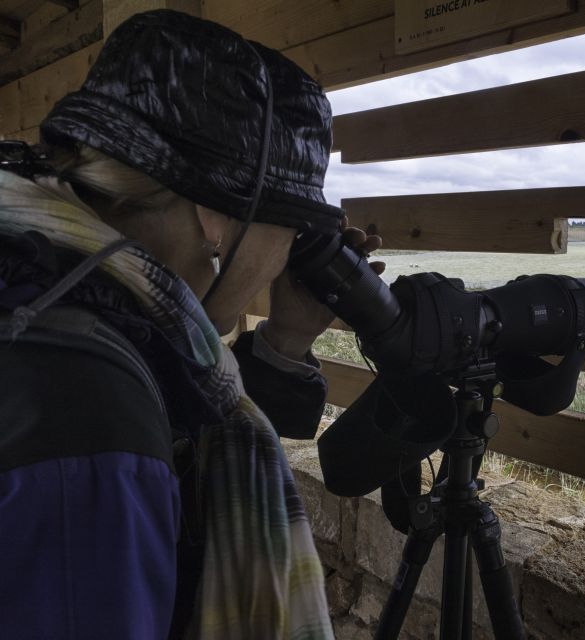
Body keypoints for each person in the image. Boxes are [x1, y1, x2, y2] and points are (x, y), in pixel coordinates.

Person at [0, 9, 381, 639]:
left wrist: (284, 343)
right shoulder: (81, 403)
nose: (285, 258)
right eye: (289, 233)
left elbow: (181, 421)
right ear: (217, 219)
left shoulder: (47, 282)